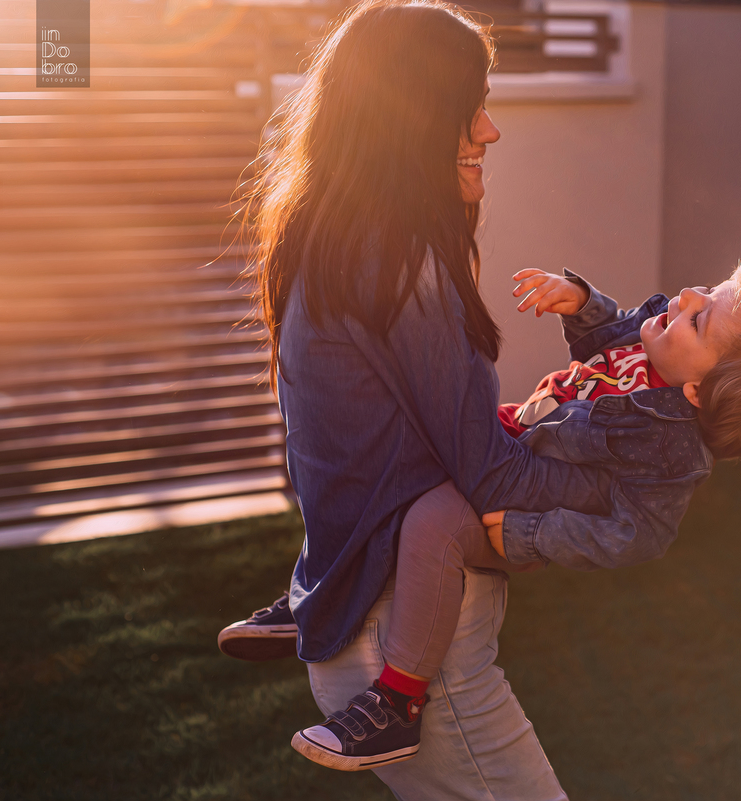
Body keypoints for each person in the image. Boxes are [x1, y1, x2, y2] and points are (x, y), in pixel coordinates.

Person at [283, 231, 741, 770]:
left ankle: (396, 703)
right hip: (514, 439)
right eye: (707, 289)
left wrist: (528, 535)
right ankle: (328, 586)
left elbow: (639, 532)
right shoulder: (656, 342)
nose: (686, 297)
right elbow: (612, 331)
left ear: (699, 391)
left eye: (701, 321)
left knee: (434, 524)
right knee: (410, 450)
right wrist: (581, 300)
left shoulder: (669, 446)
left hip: (523, 517)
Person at [228, 2, 628, 797]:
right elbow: (491, 475)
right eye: (468, 107)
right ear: (408, 121)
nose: (490, 132)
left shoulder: (330, 242)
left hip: (379, 627)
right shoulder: (403, 265)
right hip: (415, 656)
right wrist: (628, 483)